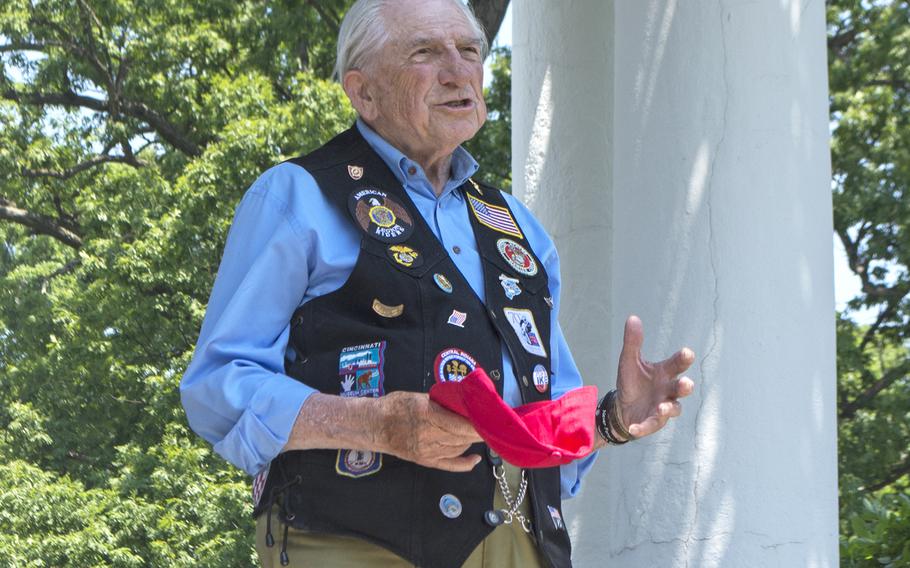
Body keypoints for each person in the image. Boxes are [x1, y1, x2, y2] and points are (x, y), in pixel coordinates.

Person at [180, 0, 695, 566]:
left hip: (523, 542)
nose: (459, 70)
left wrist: (613, 420)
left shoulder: (519, 228)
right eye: (425, 52)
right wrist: (377, 426)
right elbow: (218, 385)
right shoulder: (296, 195)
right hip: (357, 541)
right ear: (363, 91)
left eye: (470, 51)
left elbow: (537, 425)